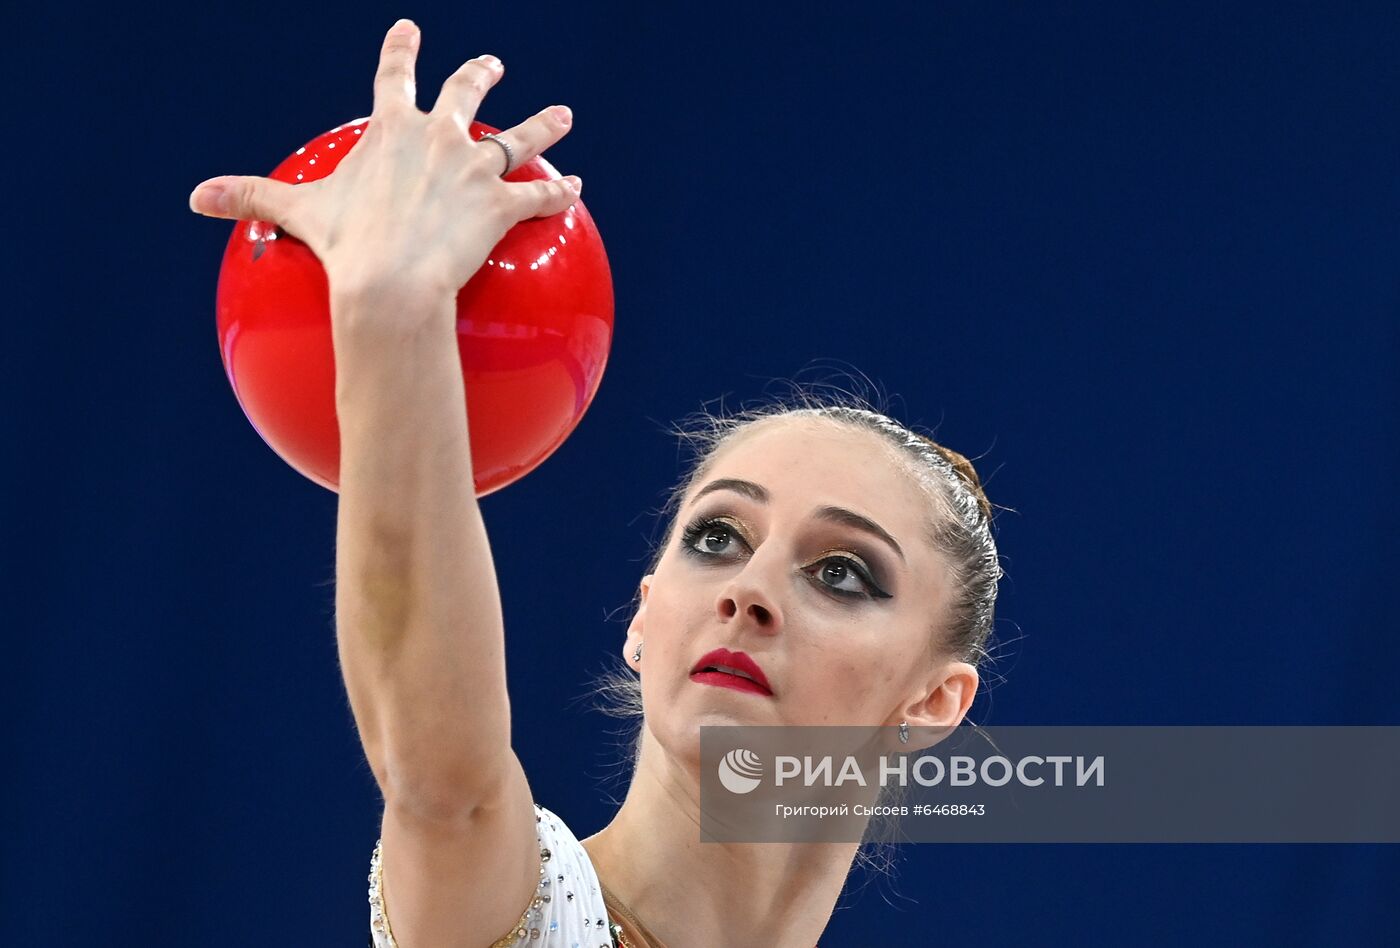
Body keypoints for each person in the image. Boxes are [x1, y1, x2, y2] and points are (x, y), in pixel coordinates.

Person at [188, 19, 1002, 947]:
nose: (748, 591)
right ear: (643, 619)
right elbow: (444, 790)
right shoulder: (524, 908)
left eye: (841, 573)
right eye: (716, 537)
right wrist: (392, 307)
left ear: (931, 703)